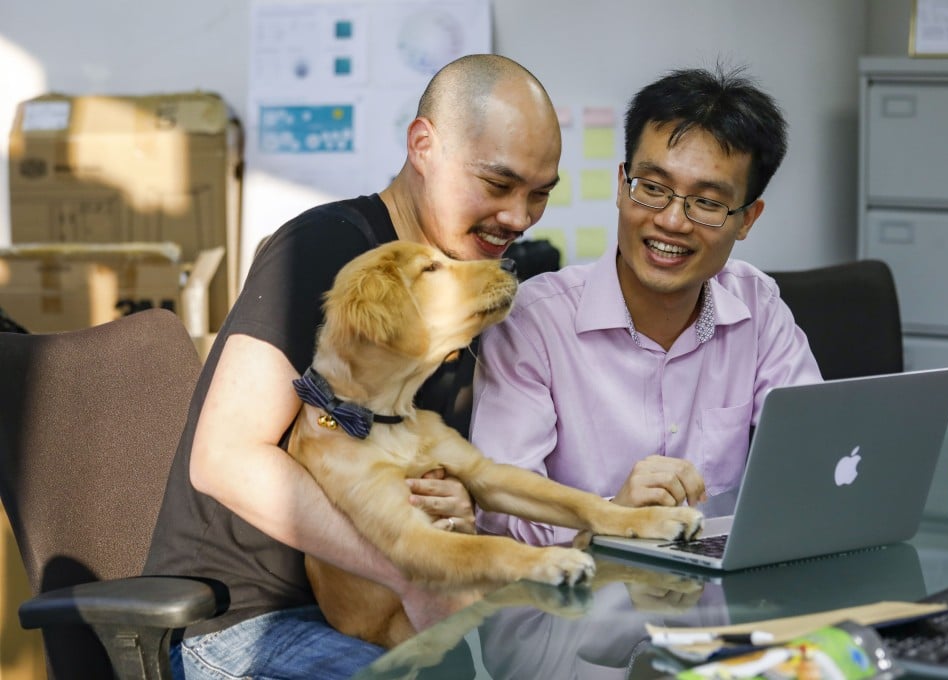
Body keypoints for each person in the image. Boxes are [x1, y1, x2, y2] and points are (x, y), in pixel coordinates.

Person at [143, 53, 561, 680]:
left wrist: (454, 507)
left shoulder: (459, 291)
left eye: (540, 195)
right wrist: (409, 568)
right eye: (498, 186)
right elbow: (224, 457)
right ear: (424, 145)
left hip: (366, 612)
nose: (519, 218)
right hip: (243, 620)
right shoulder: (326, 250)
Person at [470, 65, 823, 547]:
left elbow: (814, 460)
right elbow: (497, 514)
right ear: (622, 185)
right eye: (652, 188)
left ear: (747, 220)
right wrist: (613, 516)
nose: (672, 222)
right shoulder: (534, 323)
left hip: (721, 599)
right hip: (579, 604)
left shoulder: (757, 308)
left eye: (707, 202)